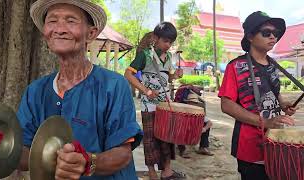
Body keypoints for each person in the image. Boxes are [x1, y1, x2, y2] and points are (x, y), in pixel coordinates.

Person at [16, 0, 143, 179]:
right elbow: (23, 153)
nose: (59, 29)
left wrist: (88, 162)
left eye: (70, 21)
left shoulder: (114, 85)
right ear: (45, 33)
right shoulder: (35, 91)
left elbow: (123, 155)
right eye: (52, 21)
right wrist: (0, 145)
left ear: (90, 33)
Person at [219, 11, 298, 180]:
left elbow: (274, 94)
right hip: (249, 146)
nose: (273, 37)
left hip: (275, 141)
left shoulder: (274, 65)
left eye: (275, 34)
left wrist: (284, 104)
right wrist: (266, 122)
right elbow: (226, 105)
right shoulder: (236, 66)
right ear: (250, 36)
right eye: (266, 33)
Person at [124, 22, 185, 180]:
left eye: (170, 42)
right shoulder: (145, 55)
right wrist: (146, 91)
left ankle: (167, 171)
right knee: (150, 140)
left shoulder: (170, 56)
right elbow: (128, 74)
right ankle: (152, 173)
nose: (168, 45)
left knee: (166, 137)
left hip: (165, 105)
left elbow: (166, 77)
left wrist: (175, 76)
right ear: (155, 38)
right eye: (165, 41)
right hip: (149, 105)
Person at [174, 86, 213, 158]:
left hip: (194, 129)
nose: (193, 104)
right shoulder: (182, 112)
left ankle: (203, 147)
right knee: (179, 127)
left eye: (194, 103)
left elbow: (210, 123)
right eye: (191, 103)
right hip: (183, 129)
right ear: (187, 103)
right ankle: (182, 149)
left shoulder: (198, 112)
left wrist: (204, 129)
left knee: (205, 125)